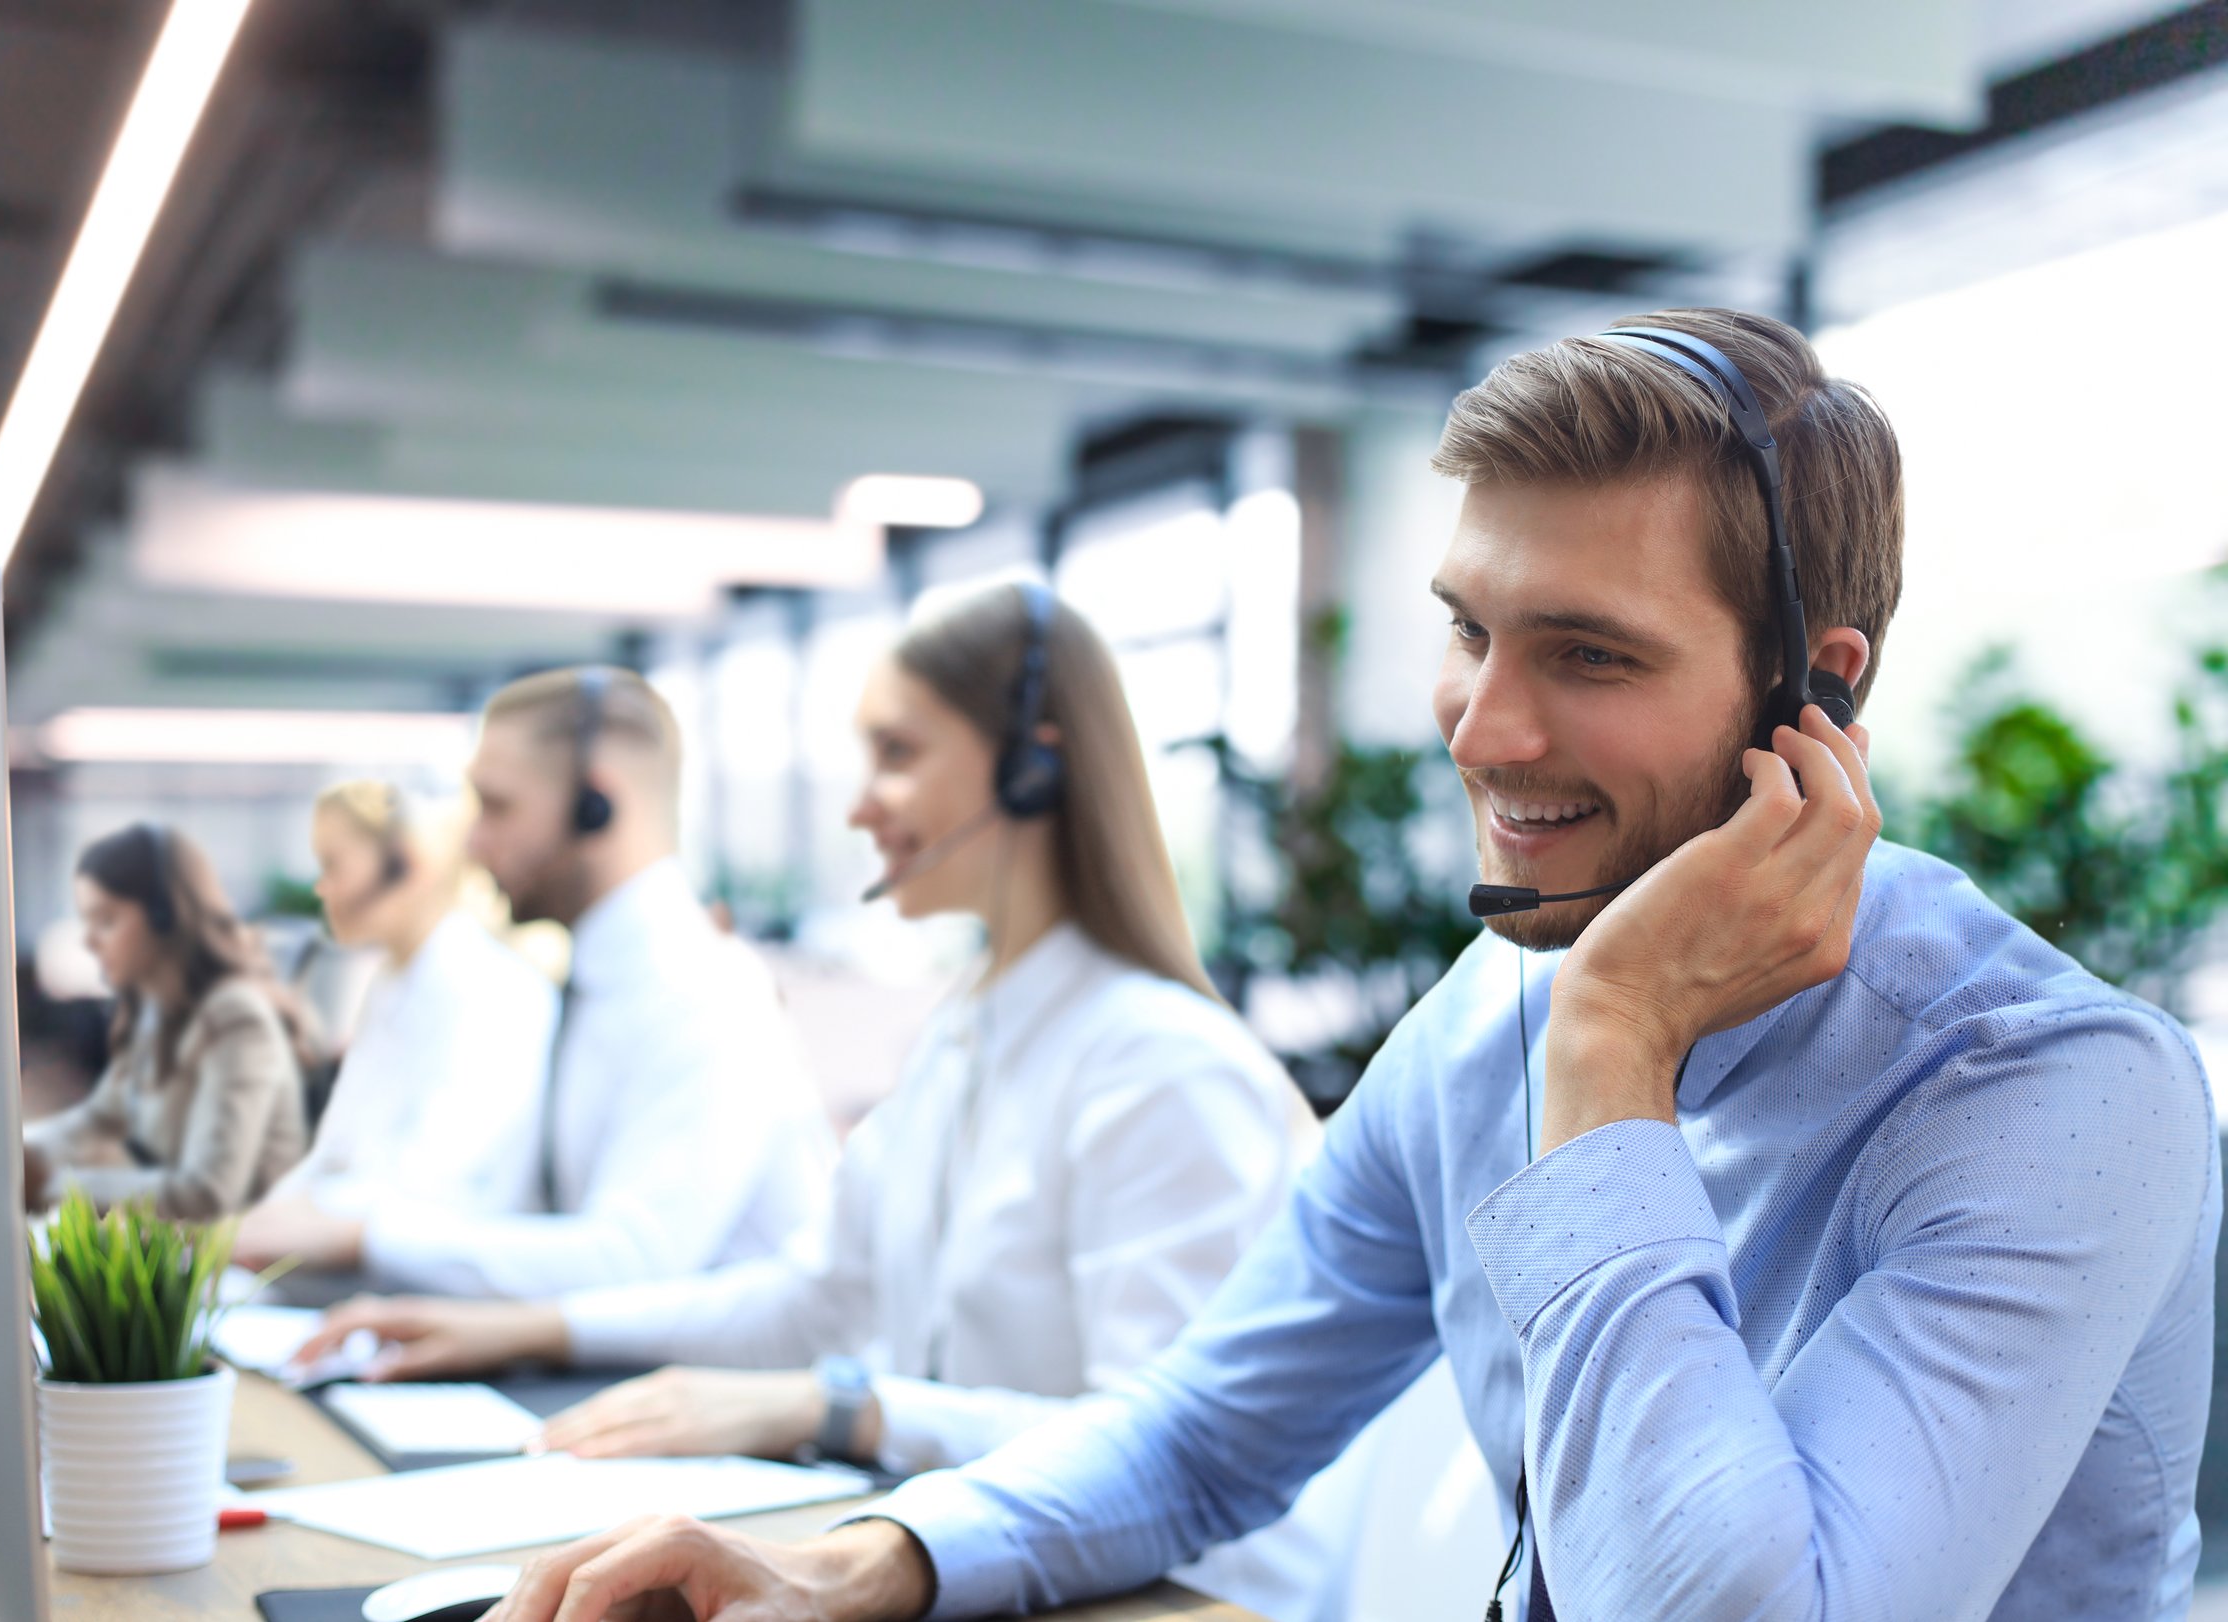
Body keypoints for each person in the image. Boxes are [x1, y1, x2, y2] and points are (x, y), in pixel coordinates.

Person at [475, 311, 2220, 1622]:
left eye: (1589, 653)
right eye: (1470, 630)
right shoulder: (1493, 1015)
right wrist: (861, 1564)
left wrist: (1611, 1046)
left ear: (1813, 692)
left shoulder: (2062, 1096)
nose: (1487, 726)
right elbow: (1203, 1435)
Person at [301, 584, 1359, 1620]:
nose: (858, 805)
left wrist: (841, 1403)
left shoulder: (1165, 1066)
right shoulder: (965, 1035)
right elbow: (813, 1298)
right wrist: (522, 1327)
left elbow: (1155, 1454)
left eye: (897, 754)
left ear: (1033, 766)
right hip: (987, 1571)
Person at [251, 666, 835, 1299]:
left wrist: (364, 1235)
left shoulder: (703, 992)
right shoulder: (590, 986)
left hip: (718, 1385)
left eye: (497, 807)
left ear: (596, 807)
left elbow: (634, 1261)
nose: (472, 845)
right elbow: (518, 1220)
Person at [231, 781, 557, 1269]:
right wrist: (245, 1223)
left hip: (439, 1283)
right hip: (365, 1270)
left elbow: (439, 1190)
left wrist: (262, 1229)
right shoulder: (390, 985)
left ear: (407, 862)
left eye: (334, 866)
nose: (324, 889)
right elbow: (335, 1158)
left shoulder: (494, 991)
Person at [23, 823, 310, 1221]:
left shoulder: (236, 1019)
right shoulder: (157, 1015)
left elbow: (206, 1193)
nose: (89, 941)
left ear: (164, 916)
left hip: (252, 1261)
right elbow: (101, 1117)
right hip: (192, 1254)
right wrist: (24, 1152)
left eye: (106, 920)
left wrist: (54, 1189)